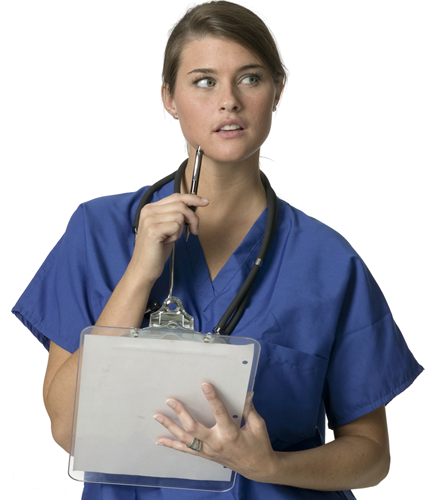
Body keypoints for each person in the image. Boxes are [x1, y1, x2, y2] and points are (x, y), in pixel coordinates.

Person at [12, 1, 423, 499]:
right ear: (169, 97)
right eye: (204, 81)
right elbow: (66, 427)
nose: (229, 101)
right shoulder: (98, 233)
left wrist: (271, 465)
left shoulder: (328, 262)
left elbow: (372, 456)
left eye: (250, 78)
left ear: (277, 91)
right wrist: (139, 274)